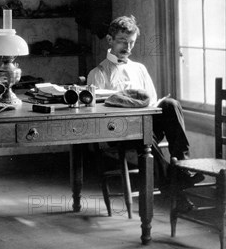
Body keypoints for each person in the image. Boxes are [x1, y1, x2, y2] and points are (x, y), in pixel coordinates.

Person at [87, 15, 203, 206]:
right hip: (118, 129)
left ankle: (182, 167)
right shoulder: (98, 73)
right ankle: (174, 188)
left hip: (145, 123)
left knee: (170, 104)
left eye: (132, 43)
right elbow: (101, 113)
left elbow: (152, 100)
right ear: (109, 40)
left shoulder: (139, 68)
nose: (128, 47)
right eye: (122, 41)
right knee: (145, 135)